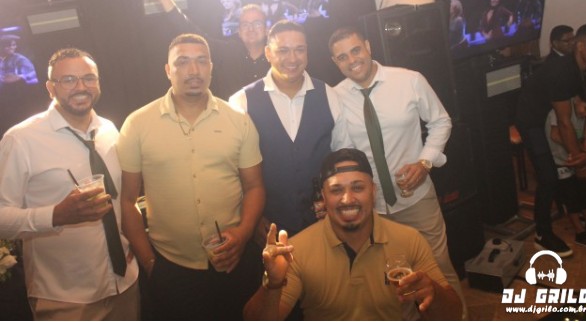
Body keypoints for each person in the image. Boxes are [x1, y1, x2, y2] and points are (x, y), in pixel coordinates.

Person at [117, 33, 265, 320]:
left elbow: (255, 187)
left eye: (201, 61)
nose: (194, 70)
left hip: (235, 260)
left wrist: (244, 233)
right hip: (171, 268)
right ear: (168, 70)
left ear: (211, 67)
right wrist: (150, 264)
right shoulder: (137, 124)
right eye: (182, 62)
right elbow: (127, 201)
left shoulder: (238, 120)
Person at [327, 26, 467, 317]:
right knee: (393, 283)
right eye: (342, 57)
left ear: (368, 46)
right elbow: (343, 151)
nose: (352, 60)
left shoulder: (409, 80)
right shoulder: (335, 97)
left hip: (416, 200)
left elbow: (441, 121)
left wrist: (425, 162)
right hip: (373, 210)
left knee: (438, 268)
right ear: (335, 62)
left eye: (355, 50)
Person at [0, 48, 139, 320]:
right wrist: (56, 215)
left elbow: (122, 200)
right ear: (50, 88)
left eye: (89, 78)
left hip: (125, 283)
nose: (81, 87)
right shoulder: (21, 139)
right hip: (65, 297)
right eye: (68, 80)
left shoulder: (109, 130)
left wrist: (129, 245)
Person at [243, 148, 462, 321]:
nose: (348, 199)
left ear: (373, 191)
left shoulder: (408, 239)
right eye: (336, 190)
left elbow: (452, 316)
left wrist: (432, 292)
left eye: (358, 188)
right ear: (323, 197)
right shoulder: (295, 250)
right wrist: (273, 284)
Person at [229, 20, 347, 239]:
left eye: (299, 50)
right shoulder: (241, 101)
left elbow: (343, 156)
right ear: (268, 53)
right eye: (283, 50)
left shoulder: (329, 95)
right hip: (269, 226)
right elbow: (233, 171)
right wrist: (252, 218)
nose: (292, 59)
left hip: (327, 223)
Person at [516, 23, 586, 257]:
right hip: (531, 120)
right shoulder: (561, 71)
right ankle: (542, 234)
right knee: (549, 178)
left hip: (550, 115)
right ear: (580, 47)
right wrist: (580, 163)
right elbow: (564, 124)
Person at [147, 0, 270, 100]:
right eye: (245, 24)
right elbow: (192, 32)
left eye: (257, 23)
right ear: (239, 31)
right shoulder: (227, 52)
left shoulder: (278, 57)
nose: (251, 29)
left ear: (267, 30)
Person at [545, 89, 586, 248]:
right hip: (562, 162)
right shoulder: (559, 110)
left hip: (576, 158)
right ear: (577, 100)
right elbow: (556, 135)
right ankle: (580, 231)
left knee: (584, 190)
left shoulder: (585, 114)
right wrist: (577, 149)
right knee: (570, 197)